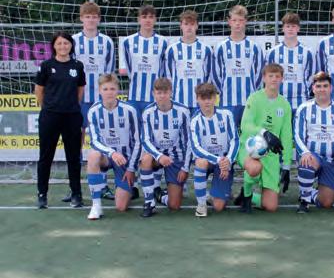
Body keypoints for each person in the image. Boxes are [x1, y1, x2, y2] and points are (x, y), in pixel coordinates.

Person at [34, 32, 86, 209]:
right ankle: (42, 194)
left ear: (71, 45)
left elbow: (80, 89)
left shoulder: (78, 66)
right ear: (54, 46)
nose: (63, 46)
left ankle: (76, 194)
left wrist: (71, 106)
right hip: (50, 116)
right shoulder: (46, 66)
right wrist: (48, 107)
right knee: (45, 156)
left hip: (72, 116)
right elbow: (39, 90)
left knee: (73, 157)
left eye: (66, 43)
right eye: (59, 43)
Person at [71, 1, 115, 202]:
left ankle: (103, 185)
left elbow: (109, 73)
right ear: (81, 18)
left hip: (99, 101)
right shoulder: (73, 41)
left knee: (102, 141)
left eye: (94, 16)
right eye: (87, 16)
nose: (90, 20)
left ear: (99, 19)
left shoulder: (106, 42)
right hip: (79, 100)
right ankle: (75, 187)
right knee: (75, 142)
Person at [236, 63, 292, 213]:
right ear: (264, 78)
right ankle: (247, 195)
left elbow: (287, 135)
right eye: (270, 76)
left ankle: (249, 195)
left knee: (271, 207)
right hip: (250, 149)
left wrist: (286, 166)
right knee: (254, 168)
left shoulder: (285, 105)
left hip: (271, 155)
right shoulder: (254, 98)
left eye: (277, 76)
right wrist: (264, 132)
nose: (274, 79)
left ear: (282, 79)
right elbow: (245, 125)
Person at [86, 74, 141, 220]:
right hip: (107, 157)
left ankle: (126, 187)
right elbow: (95, 141)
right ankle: (96, 206)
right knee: (93, 155)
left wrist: (131, 169)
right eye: (105, 89)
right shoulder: (93, 111)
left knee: (121, 207)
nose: (109, 92)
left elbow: (138, 142)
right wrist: (112, 153)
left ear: (118, 90)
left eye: (112, 89)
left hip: (124, 160)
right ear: (99, 91)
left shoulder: (129, 110)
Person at [294, 72, 334, 214]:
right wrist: (305, 152)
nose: (322, 89)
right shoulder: (304, 109)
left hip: (333, 160)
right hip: (313, 155)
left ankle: (309, 192)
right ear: (313, 88)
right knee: (307, 161)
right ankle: (304, 200)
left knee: (326, 203)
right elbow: (297, 135)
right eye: (318, 86)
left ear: (331, 88)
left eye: (325, 86)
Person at [140, 78, 191, 217]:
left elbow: (189, 142)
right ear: (153, 93)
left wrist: (185, 168)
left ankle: (160, 195)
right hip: (157, 155)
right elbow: (145, 140)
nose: (162, 96)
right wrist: (159, 156)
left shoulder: (183, 111)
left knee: (174, 205)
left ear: (171, 93)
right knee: (145, 158)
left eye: (165, 92)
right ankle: (149, 202)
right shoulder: (148, 112)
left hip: (176, 157)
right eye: (159, 93)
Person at [190, 83, 239, 217]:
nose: (207, 101)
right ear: (197, 99)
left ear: (215, 98)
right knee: (200, 162)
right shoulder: (195, 120)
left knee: (218, 207)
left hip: (224, 162)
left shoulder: (226, 115)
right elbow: (196, 148)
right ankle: (201, 205)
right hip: (210, 161)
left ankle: (217, 193)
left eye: (210, 97)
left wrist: (228, 161)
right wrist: (219, 160)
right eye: (203, 98)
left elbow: (235, 140)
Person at [212, 5, 264, 128]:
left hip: (250, 101)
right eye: (234, 20)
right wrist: (223, 90)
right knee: (228, 134)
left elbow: (260, 75)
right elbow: (216, 75)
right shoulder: (221, 47)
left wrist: (253, 92)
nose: (237, 24)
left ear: (245, 21)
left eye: (240, 20)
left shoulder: (255, 47)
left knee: (249, 135)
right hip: (227, 101)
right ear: (229, 21)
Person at [119, 4, 169, 118]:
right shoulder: (128, 42)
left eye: (151, 17)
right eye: (144, 17)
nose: (147, 20)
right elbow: (129, 68)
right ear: (139, 19)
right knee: (134, 127)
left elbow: (164, 70)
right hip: (134, 96)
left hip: (156, 96)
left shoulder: (163, 42)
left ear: (155, 20)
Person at [266, 12, 315, 116]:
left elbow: (311, 77)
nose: (290, 29)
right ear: (283, 28)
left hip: (301, 101)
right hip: (278, 101)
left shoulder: (308, 52)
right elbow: (267, 78)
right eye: (288, 26)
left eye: (293, 26)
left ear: (298, 28)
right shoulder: (273, 52)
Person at [166, 10, 212, 117]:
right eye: (186, 24)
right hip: (178, 101)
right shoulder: (172, 50)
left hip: (200, 102)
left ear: (197, 26)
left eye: (192, 24)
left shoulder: (206, 49)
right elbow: (169, 76)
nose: (189, 27)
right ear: (181, 26)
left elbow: (209, 76)